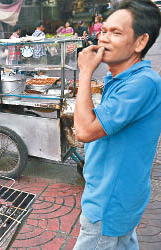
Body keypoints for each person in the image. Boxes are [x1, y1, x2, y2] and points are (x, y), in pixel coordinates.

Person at [73, 1, 161, 249]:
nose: (104, 40)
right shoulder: (120, 78)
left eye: (116, 33)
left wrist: (85, 72)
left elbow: (85, 131)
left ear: (141, 42)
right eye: (104, 31)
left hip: (108, 204)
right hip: (118, 198)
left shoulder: (142, 83)